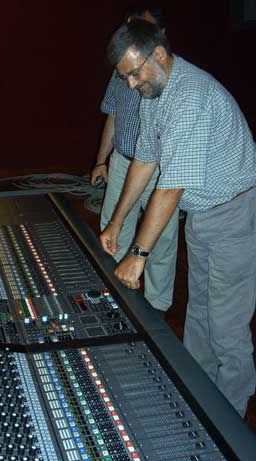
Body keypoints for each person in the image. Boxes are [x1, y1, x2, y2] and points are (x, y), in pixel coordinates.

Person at [100, 19, 256, 417]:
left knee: (226, 328)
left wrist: (138, 253)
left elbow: (170, 189)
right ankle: (201, 402)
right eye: (124, 77)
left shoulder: (190, 96)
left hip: (235, 214)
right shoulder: (156, 93)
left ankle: (231, 418)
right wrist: (118, 222)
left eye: (134, 73)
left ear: (158, 55)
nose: (131, 85)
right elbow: (145, 161)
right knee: (200, 315)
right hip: (204, 215)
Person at [91, 3, 179, 312]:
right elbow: (112, 117)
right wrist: (102, 161)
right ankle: (112, 302)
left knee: (162, 240)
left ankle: (157, 308)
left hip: (159, 172)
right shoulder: (121, 73)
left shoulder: (173, 82)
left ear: (160, 40)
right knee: (113, 232)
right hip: (123, 162)